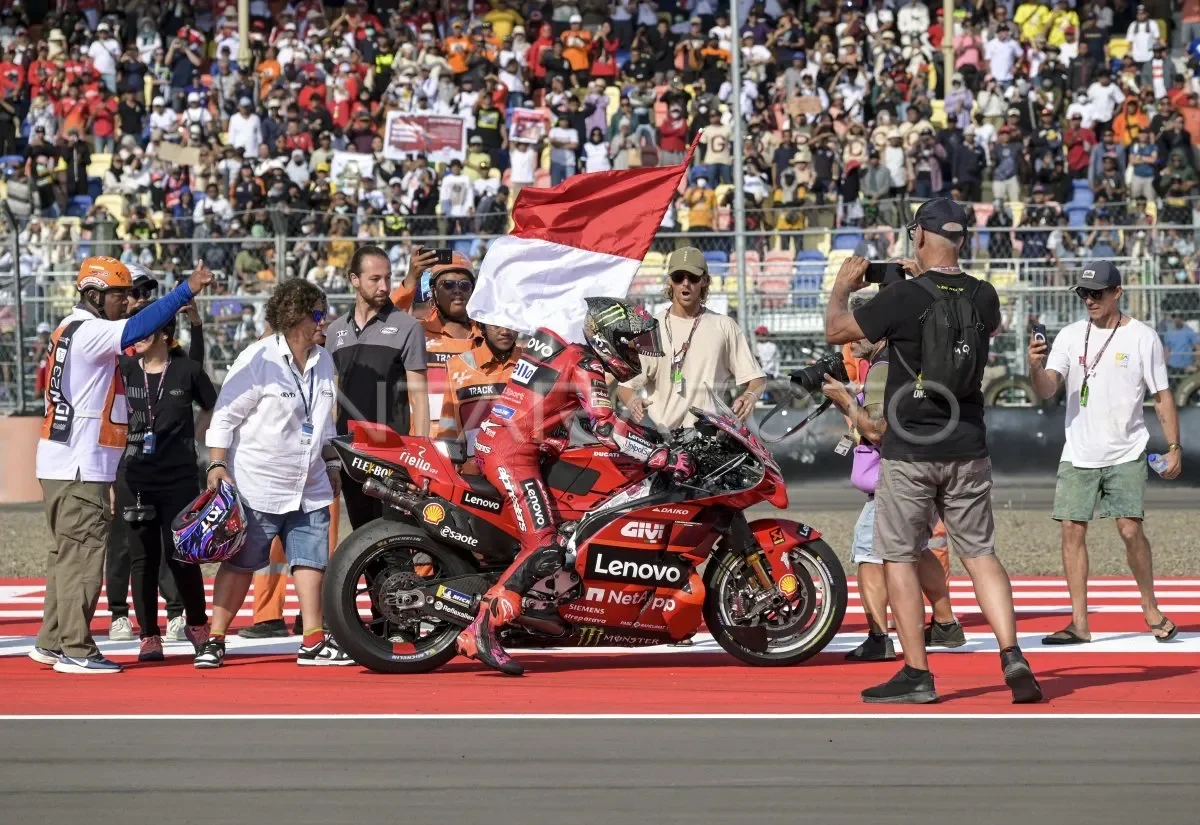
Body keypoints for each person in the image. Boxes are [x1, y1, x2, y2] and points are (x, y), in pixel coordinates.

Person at [824, 198, 1042, 705]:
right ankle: (1012, 654)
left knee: (897, 555)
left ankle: (917, 672)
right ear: (961, 239)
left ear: (918, 236)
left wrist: (843, 287)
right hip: (968, 442)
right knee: (980, 553)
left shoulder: (904, 298)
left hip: (910, 446)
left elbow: (840, 333)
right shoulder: (986, 296)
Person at [456, 298, 695, 676]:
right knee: (545, 545)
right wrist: (661, 457)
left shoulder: (569, 354)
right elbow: (605, 426)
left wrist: (649, 439)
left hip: (510, 444)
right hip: (512, 454)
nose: (635, 351)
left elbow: (550, 408)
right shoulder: (586, 366)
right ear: (608, 338)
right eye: (630, 342)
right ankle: (482, 629)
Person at [30, 257, 213, 674]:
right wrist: (186, 289)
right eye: (119, 294)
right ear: (93, 296)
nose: (127, 300)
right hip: (80, 465)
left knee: (65, 556)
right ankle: (76, 648)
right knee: (84, 558)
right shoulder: (92, 330)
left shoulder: (68, 327)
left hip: (60, 461)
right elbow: (136, 330)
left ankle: (50, 640)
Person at [196, 279, 351, 668]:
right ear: (295, 315)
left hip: (310, 481)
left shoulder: (324, 360)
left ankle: (313, 640)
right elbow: (225, 416)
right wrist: (217, 464)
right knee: (241, 563)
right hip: (258, 483)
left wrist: (332, 464)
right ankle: (215, 639)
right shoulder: (258, 358)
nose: (325, 321)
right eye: (318, 313)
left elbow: (326, 424)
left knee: (312, 561)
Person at [1029, 261, 1182, 645]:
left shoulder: (1142, 337)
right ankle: (1080, 622)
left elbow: (1161, 396)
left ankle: (1150, 607)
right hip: (1078, 450)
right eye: (1083, 293)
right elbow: (1048, 389)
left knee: (1130, 528)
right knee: (1070, 529)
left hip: (1127, 449)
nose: (1089, 300)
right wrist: (1035, 366)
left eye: (1097, 293)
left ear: (1117, 292)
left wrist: (1174, 447)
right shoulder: (1068, 335)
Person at [822, 291, 965, 661]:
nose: (852, 341)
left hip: (895, 476)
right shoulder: (911, 358)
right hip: (928, 466)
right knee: (915, 548)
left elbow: (876, 431)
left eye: (860, 330)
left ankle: (878, 637)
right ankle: (946, 623)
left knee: (868, 552)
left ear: (882, 329)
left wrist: (845, 402)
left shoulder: (883, 368)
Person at [115, 303, 216, 661]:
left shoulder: (186, 370)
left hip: (179, 478)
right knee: (142, 558)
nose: (135, 336)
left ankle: (199, 625)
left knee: (182, 556)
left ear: (163, 334)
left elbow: (211, 405)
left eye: (144, 328)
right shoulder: (125, 370)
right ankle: (149, 635)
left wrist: (194, 439)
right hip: (135, 477)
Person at [327, 245, 429, 528]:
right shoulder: (335, 331)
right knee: (363, 538)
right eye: (375, 279)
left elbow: (419, 401)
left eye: (388, 278)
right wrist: (333, 457)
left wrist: (419, 460)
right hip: (350, 454)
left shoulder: (408, 327)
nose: (384, 286)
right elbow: (332, 401)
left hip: (393, 456)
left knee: (395, 543)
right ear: (354, 279)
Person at [617, 247, 765, 430]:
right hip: (666, 443)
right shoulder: (650, 330)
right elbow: (625, 386)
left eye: (693, 277)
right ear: (670, 280)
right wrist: (633, 401)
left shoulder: (725, 326)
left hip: (711, 440)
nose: (685, 283)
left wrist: (750, 395)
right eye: (679, 277)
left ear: (705, 281)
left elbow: (757, 379)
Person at [436, 323, 520, 467]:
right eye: (496, 325)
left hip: (518, 468)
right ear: (481, 326)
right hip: (473, 471)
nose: (505, 331)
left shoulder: (533, 363)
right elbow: (448, 428)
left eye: (511, 324)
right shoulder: (457, 365)